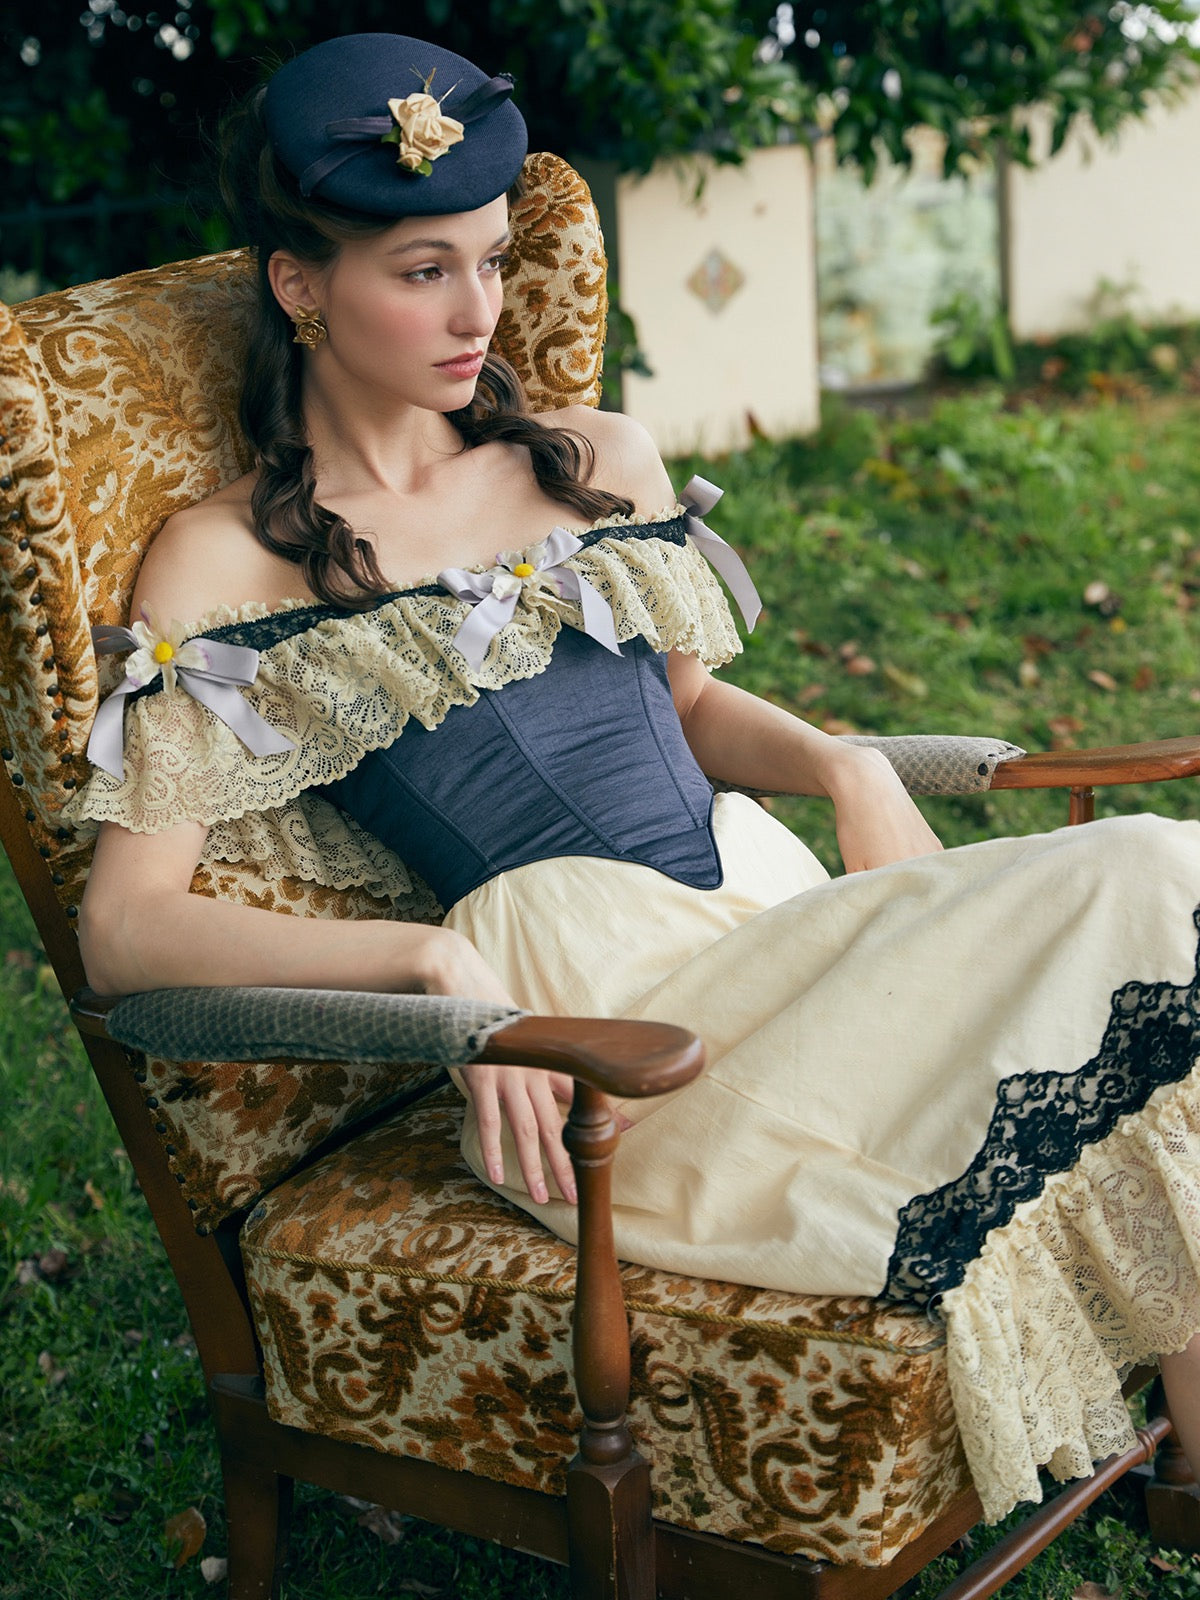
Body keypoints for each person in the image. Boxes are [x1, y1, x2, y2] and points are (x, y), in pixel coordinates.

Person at [66, 31, 1200, 1526]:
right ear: (299, 284)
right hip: (598, 1023)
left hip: (764, 918)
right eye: (422, 271)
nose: (479, 311)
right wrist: (431, 965)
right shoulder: (230, 560)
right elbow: (125, 927)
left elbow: (686, 710)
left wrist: (841, 764)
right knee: (1160, 869)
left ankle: (1194, 1477)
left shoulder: (590, 457)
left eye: (489, 260)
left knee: (1162, 922)